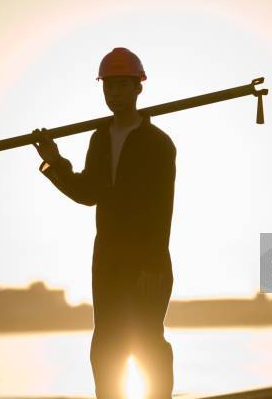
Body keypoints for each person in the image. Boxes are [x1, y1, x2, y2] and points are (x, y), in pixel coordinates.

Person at [32, 47, 176, 399]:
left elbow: (161, 210)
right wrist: (54, 163)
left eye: (122, 85)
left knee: (148, 346)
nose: (114, 93)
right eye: (109, 86)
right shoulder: (99, 138)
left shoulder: (159, 144)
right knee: (106, 349)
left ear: (139, 88)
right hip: (108, 262)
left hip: (147, 265)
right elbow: (88, 192)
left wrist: (153, 265)